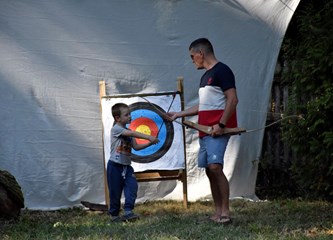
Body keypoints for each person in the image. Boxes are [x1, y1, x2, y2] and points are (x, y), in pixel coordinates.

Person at [167, 38, 238, 224]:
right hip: (205, 131)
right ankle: (217, 211)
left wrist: (221, 125)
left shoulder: (223, 70)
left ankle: (225, 212)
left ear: (201, 53)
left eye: (192, 56)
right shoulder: (205, 76)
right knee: (209, 169)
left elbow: (232, 100)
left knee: (215, 167)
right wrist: (179, 114)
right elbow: (204, 106)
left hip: (217, 130)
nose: (192, 60)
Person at [107, 103, 159, 222]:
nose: (130, 116)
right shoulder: (116, 129)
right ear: (117, 118)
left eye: (130, 114)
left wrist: (151, 142)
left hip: (127, 167)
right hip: (115, 166)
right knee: (115, 191)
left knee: (132, 187)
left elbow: (136, 147)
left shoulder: (129, 131)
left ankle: (128, 211)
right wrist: (149, 137)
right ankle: (114, 215)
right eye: (126, 114)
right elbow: (131, 134)